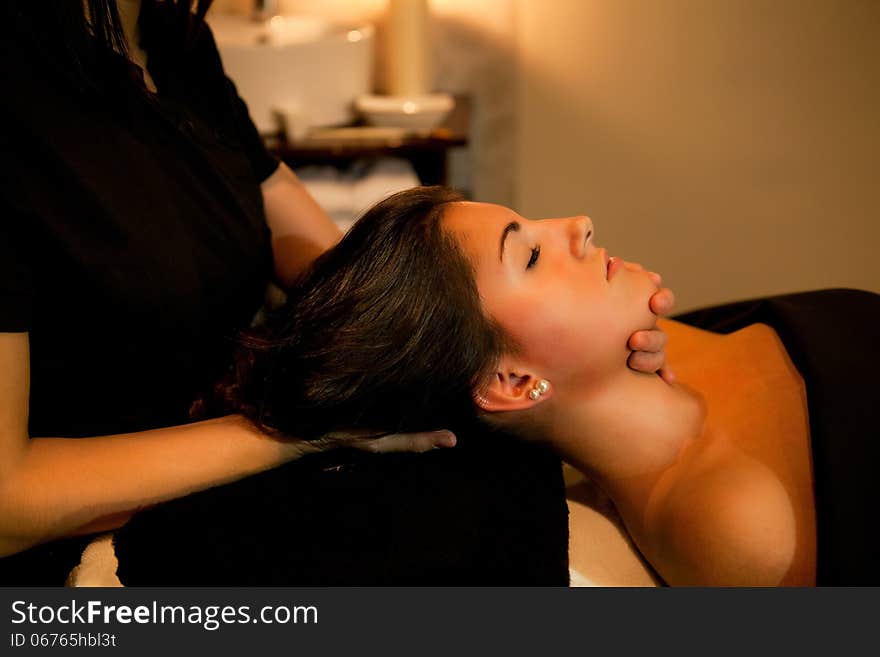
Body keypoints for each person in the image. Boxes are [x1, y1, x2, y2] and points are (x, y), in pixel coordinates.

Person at [0, 2, 674, 585]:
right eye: (527, 247)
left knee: (484, 463)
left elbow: (355, 276)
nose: (580, 226)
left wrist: (598, 337)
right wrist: (294, 434)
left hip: (244, 457)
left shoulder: (170, 44)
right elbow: (9, 502)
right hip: (73, 552)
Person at [128, 186, 874, 586]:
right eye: (532, 255)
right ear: (516, 381)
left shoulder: (690, 338)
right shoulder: (741, 530)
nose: (578, 223)